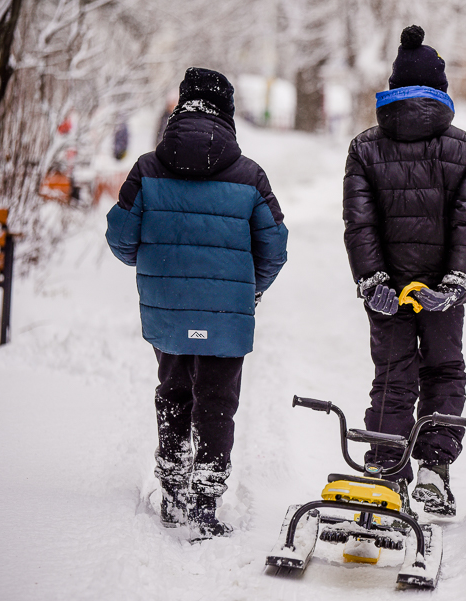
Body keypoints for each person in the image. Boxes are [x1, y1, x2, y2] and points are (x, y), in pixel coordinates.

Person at [106, 67, 288, 538]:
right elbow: (275, 247)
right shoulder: (250, 175)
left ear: (179, 108)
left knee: (173, 392)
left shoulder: (147, 168)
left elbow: (120, 238)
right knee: (217, 401)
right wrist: (250, 290)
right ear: (226, 113)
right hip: (226, 314)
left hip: (167, 306)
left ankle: (172, 492)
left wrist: (155, 267)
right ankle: (205, 501)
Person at [342, 25, 466, 518]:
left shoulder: (365, 148)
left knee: (392, 375)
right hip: (441, 291)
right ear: (439, 91)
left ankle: (385, 470)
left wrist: (373, 281)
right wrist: (454, 282)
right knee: (444, 369)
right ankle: (434, 469)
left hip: (388, 289)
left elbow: (359, 223)